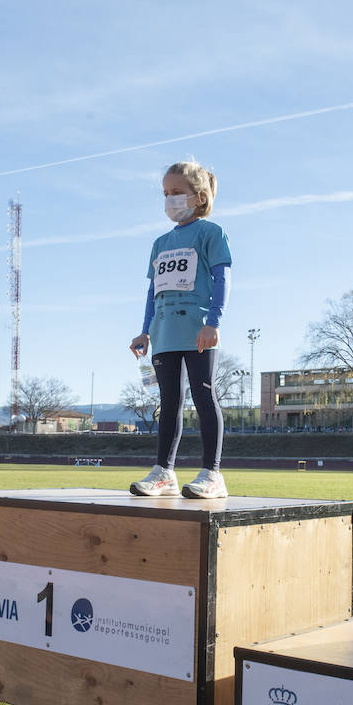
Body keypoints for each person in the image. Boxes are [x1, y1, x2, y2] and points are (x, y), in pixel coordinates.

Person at [129, 161, 232, 499]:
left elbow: (222, 278)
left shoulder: (211, 233)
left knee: (203, 395)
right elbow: (152, 291)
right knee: (169, 400)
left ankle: (212, 473)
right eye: (165, 193)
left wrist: (213, 321)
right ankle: (164, 472)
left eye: (176, 193)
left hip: (197, 329)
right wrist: (144, 331)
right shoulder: (159, 243)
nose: (169, 199)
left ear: (199, 197)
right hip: (164, 332)